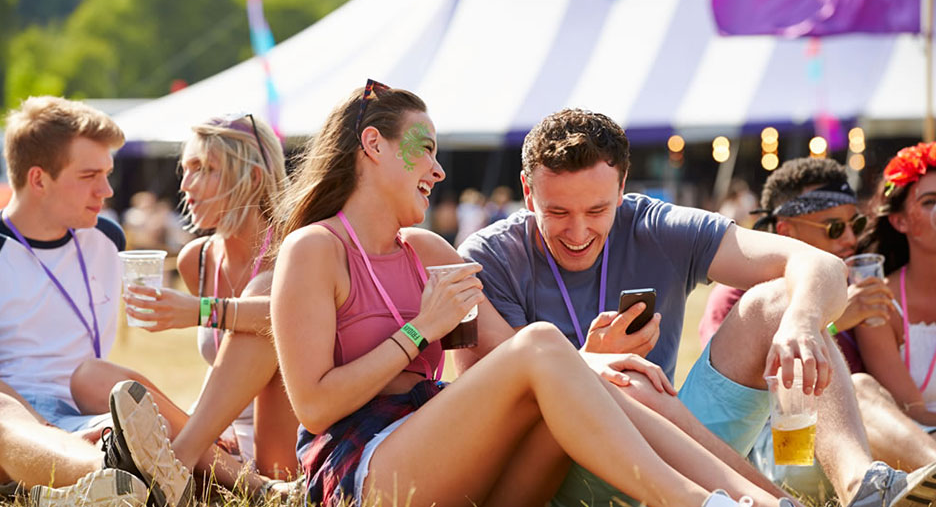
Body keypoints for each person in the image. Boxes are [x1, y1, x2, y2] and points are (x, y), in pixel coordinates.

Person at [270, 81, 800, 507]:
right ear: (373, 146)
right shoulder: (315, 248)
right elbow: (315, 408)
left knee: (608, 377)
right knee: (554, 347)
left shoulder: (427, 250)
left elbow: (515, 360)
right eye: (425, 149)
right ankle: (694, 503)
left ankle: (761, 500)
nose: (438, 169)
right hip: (366, 473)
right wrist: (418, 332)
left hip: (460, 467)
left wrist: (597, 362)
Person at [456, 109, 936, 507]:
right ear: (527, 191)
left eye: (598, 211)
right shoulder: (488, 257)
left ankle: (865, 490)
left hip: (676, 444)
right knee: (635, 385)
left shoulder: (655, 224)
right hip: (560, 470)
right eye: (557, 212)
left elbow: (820, 266)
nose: (578, 232)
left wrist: (804, 321)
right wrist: (581, 364)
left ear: (622, 188)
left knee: (781, 301)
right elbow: (487, 419)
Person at [69, 113, 297, 494]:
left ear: (253, 178)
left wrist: (198, 311)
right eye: (185, 169)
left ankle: (187, 462)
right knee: (90, 376)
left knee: (264, 302)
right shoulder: (199, 259)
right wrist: (197, 420)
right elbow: (226, 367)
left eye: (203, 169)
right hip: (221, 447)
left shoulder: (298, 245)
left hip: (286, 441)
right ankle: (203, 466)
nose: (186, 185)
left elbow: (289, 317)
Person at [700, 157, 936, 494]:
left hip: (856, 447)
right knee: (859, 389)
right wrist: (835, 321)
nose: (851, 238)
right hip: (783, 451)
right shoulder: (741, 294)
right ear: (785, 230)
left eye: (855, 224)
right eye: (834, 228)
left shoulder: (858, 284)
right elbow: (730, 400)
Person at [0, 97, 192, 507]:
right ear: (38, 180)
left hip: (87, 408)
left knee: (104, 379)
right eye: (89, 176)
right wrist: (49, 430)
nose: (106, 190)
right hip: (18, 423)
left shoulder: (108, 240)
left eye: (107, 174)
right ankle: (109, 473)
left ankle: (250, 481)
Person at [856, 142, 936, 438]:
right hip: (918, 441)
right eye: (930, 202)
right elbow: (911, 410)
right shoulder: (878, 301)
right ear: (899, 221)